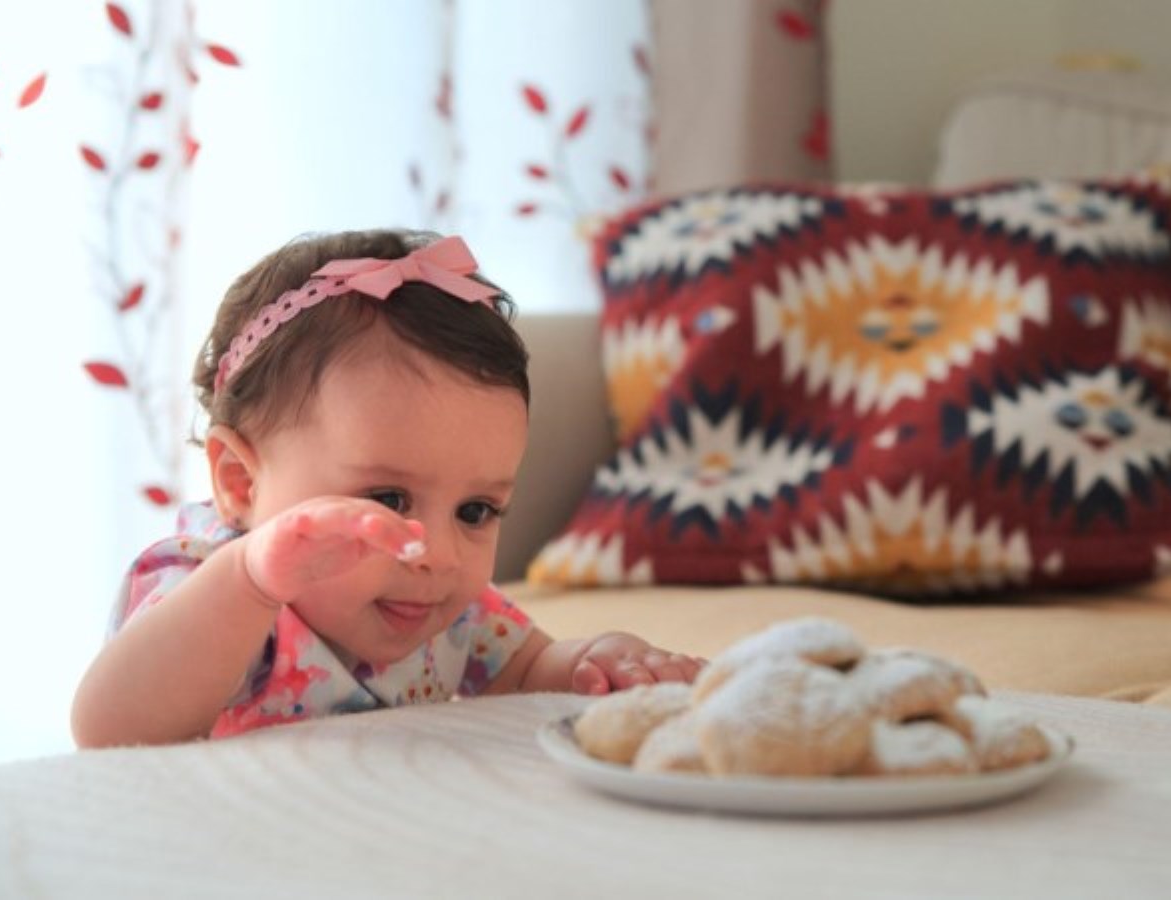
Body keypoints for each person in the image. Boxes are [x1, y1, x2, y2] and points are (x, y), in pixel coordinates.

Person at [72, 229, 703, 748]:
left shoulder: (448, 616)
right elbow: (110, 730)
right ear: (240, 482)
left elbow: (530, 674)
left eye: (475, 510)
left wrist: (602, 658)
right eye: (389, 501)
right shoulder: (211, 592)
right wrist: (251, 579)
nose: (436, 553)